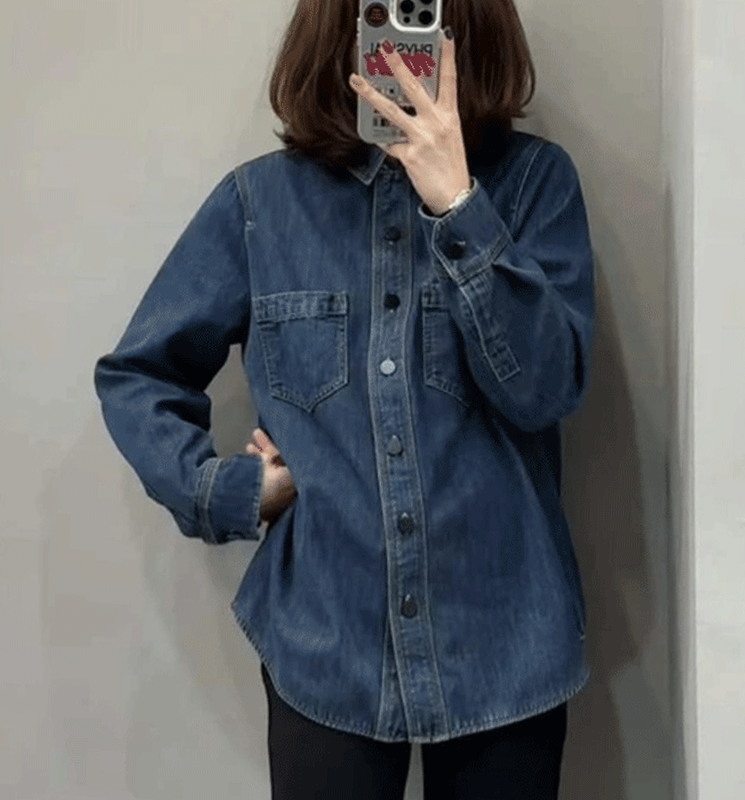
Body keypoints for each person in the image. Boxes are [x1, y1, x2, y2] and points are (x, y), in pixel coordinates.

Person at [94, 1, 596, 797]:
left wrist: (459, 206)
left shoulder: (536, 185)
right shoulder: (260, 206)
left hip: (507, 640)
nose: (401, 46)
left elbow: (546, 389)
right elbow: (139, 375)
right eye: (380, 15)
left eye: (423, 16)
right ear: (340, 26)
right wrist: (230, 492)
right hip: (326, 644)